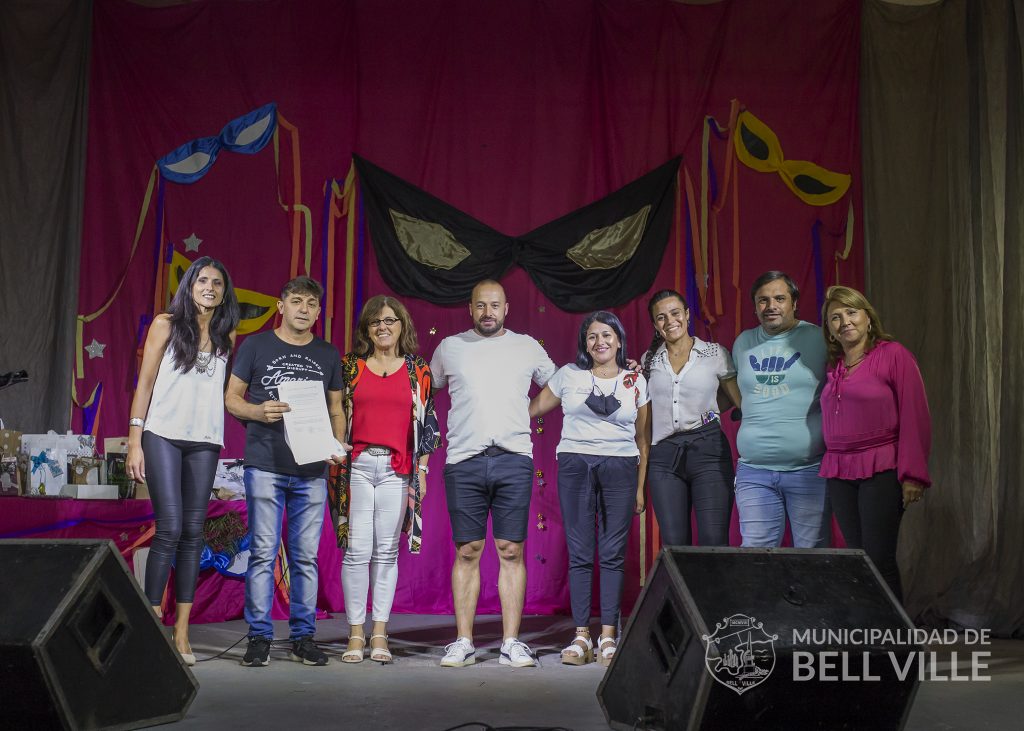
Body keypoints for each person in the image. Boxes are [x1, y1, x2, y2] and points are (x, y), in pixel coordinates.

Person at [430, 279, 556, 668]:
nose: (488, 312)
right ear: (471, 309)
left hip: (513, 458)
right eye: (481, 306)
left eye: (495, 305)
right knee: (467, 551)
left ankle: (511, 642)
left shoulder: (527, 346)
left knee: (510, 550)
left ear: (507, 308)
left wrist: (526, 413)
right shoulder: (450, 347)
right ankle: (464, 641)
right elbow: (425, 389)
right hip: (463, 461)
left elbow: (559, 384)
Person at [225, 276, 347, 667]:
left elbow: (336, 409)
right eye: (296, 301)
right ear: (281, 306)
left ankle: (303, 637)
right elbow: (231, 399)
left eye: (311, 304)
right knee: (262, 553)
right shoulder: (256, 345)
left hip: (311, 469)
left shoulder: (328, 353)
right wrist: (258, 411)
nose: (304, 309)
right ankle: (259, 637)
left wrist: (338, 444)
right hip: (265, 464)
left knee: (305, 557)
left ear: (317, 311)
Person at [126, 256, 240, 666]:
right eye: (203, 280)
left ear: (225, 293)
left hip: (205, 442)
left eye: (218, 283)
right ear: (190, 285)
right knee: (170, 527)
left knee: (194, 532)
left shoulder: (226, 337)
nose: (210, 287)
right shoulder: (166, 324)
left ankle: (182, 634)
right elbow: (145, 383)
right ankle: (152, 622)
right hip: (161, 436)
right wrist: (135, 440)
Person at [529, 311, 649, 667]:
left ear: (619, 339)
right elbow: (531, 410)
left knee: (612, 553)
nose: (600, 342)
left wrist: (640, 488)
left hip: (621, 466)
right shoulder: (569, 376)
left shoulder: (636, 380)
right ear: (585, 343)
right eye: (593, 336)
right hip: (575, 465)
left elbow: (644, 439)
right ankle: (581, 635)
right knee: (580, 552)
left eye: (607, 335)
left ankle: (608, 635)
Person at [335, 295, 440, 664]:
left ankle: (379, 633)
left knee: (386, 553)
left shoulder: (418, 370)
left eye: (390, 321)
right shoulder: (351, 366)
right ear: (366, 328)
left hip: (398, 471)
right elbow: (335, 413)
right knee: (356, 552)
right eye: (375, 322)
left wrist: (422, 471)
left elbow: (428, 425)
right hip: (358, 467)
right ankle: (355, 633)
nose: (383, 327)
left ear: (402, 327)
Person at [819, 285, 931, 600]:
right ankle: (868, 639)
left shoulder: (893, 355)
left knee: (879, 560)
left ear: (868, 318)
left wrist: (912, 474)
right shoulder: (835, 367)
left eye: (851, 313)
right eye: (835, 318)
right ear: (829, 330)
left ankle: (899, 645)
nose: (845, 322)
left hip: (882, 468)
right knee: (859, 562)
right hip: (840, 472)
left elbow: (915, 415)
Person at [732, 271, 829, 547]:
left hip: (809, 470)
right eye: (763, 300)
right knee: (755, 559)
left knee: (813, 559)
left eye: (779, 298)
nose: (770, 306)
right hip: (754, 473)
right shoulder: (744, 343)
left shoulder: (819, 339)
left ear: (794, 302)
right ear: (754, 306)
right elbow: (733, 392)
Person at [640, 289, 740, 547]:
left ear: (686, 315)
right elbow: (645, 420)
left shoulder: (714, 353)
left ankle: (713, 590)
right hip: (663, 456)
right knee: (674, 546)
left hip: (708, 450)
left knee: (714, 541)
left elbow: (736, 399)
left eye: (675, 313)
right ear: (655, 324)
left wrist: (705, 412)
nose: (670, 321)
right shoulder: (649, 360)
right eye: (661, 317)